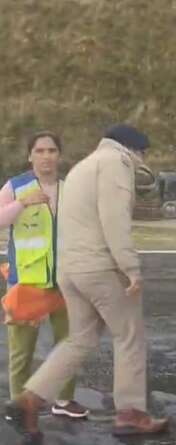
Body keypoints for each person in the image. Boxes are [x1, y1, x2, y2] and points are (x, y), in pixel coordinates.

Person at [4, 124, 169, 440]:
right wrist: (131, 268)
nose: (141, 161)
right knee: (129, 335)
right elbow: (115, 219)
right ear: (133, 150)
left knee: (80, 339)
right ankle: (131, 414)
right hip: (98, 268)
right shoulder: (115, 164)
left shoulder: (85, 166)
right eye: (142, 155)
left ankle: (29, 400)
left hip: (70, 270)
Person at [0, 132, 90, 420]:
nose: (46, 156)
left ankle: (63, 401)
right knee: (21, 351)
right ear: (30, 156)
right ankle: (18, 405)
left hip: (65, 282)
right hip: (26, 283)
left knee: (69, 344)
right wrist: (22, 203)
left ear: (59, 155)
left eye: (51, 150)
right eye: (39, 150)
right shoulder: (15, 187)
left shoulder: (70, 189)